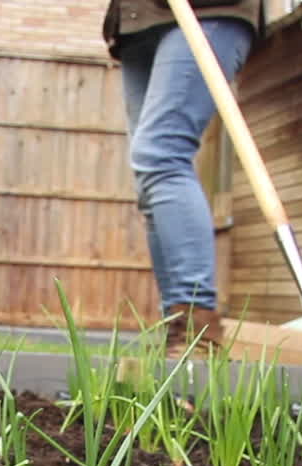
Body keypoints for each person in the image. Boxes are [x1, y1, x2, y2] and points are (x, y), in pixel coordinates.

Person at [103, 0, 262, 355]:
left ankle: (199, 327)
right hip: (138, 19)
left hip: (209, 9)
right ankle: (176, 327)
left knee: (160, 155)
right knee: (149, 180)